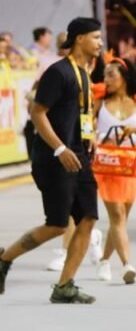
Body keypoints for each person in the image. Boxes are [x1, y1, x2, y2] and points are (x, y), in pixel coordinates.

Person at [0, 17, 104, 302]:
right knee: (57, 224)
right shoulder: (58, 72)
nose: (100, 43)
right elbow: (37, 112)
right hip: (55, 158)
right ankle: (5, 258)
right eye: (96, 37)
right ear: (80, 39)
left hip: (79, 156)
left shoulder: (83, 73)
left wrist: (89, 137)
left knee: (88, 218)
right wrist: (60, 149)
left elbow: (80, 115)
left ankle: (65, 286)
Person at [93, 55, 136, 284]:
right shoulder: (99, 101)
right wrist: (98, 137)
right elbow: (87, 128)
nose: (106, 79)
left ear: (124, 76)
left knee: (120, 219)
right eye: (104, 75)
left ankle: (103, 260)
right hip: (106, 165)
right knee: (117, 215)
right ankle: (126, 265)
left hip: (132, 165)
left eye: (111, 74)